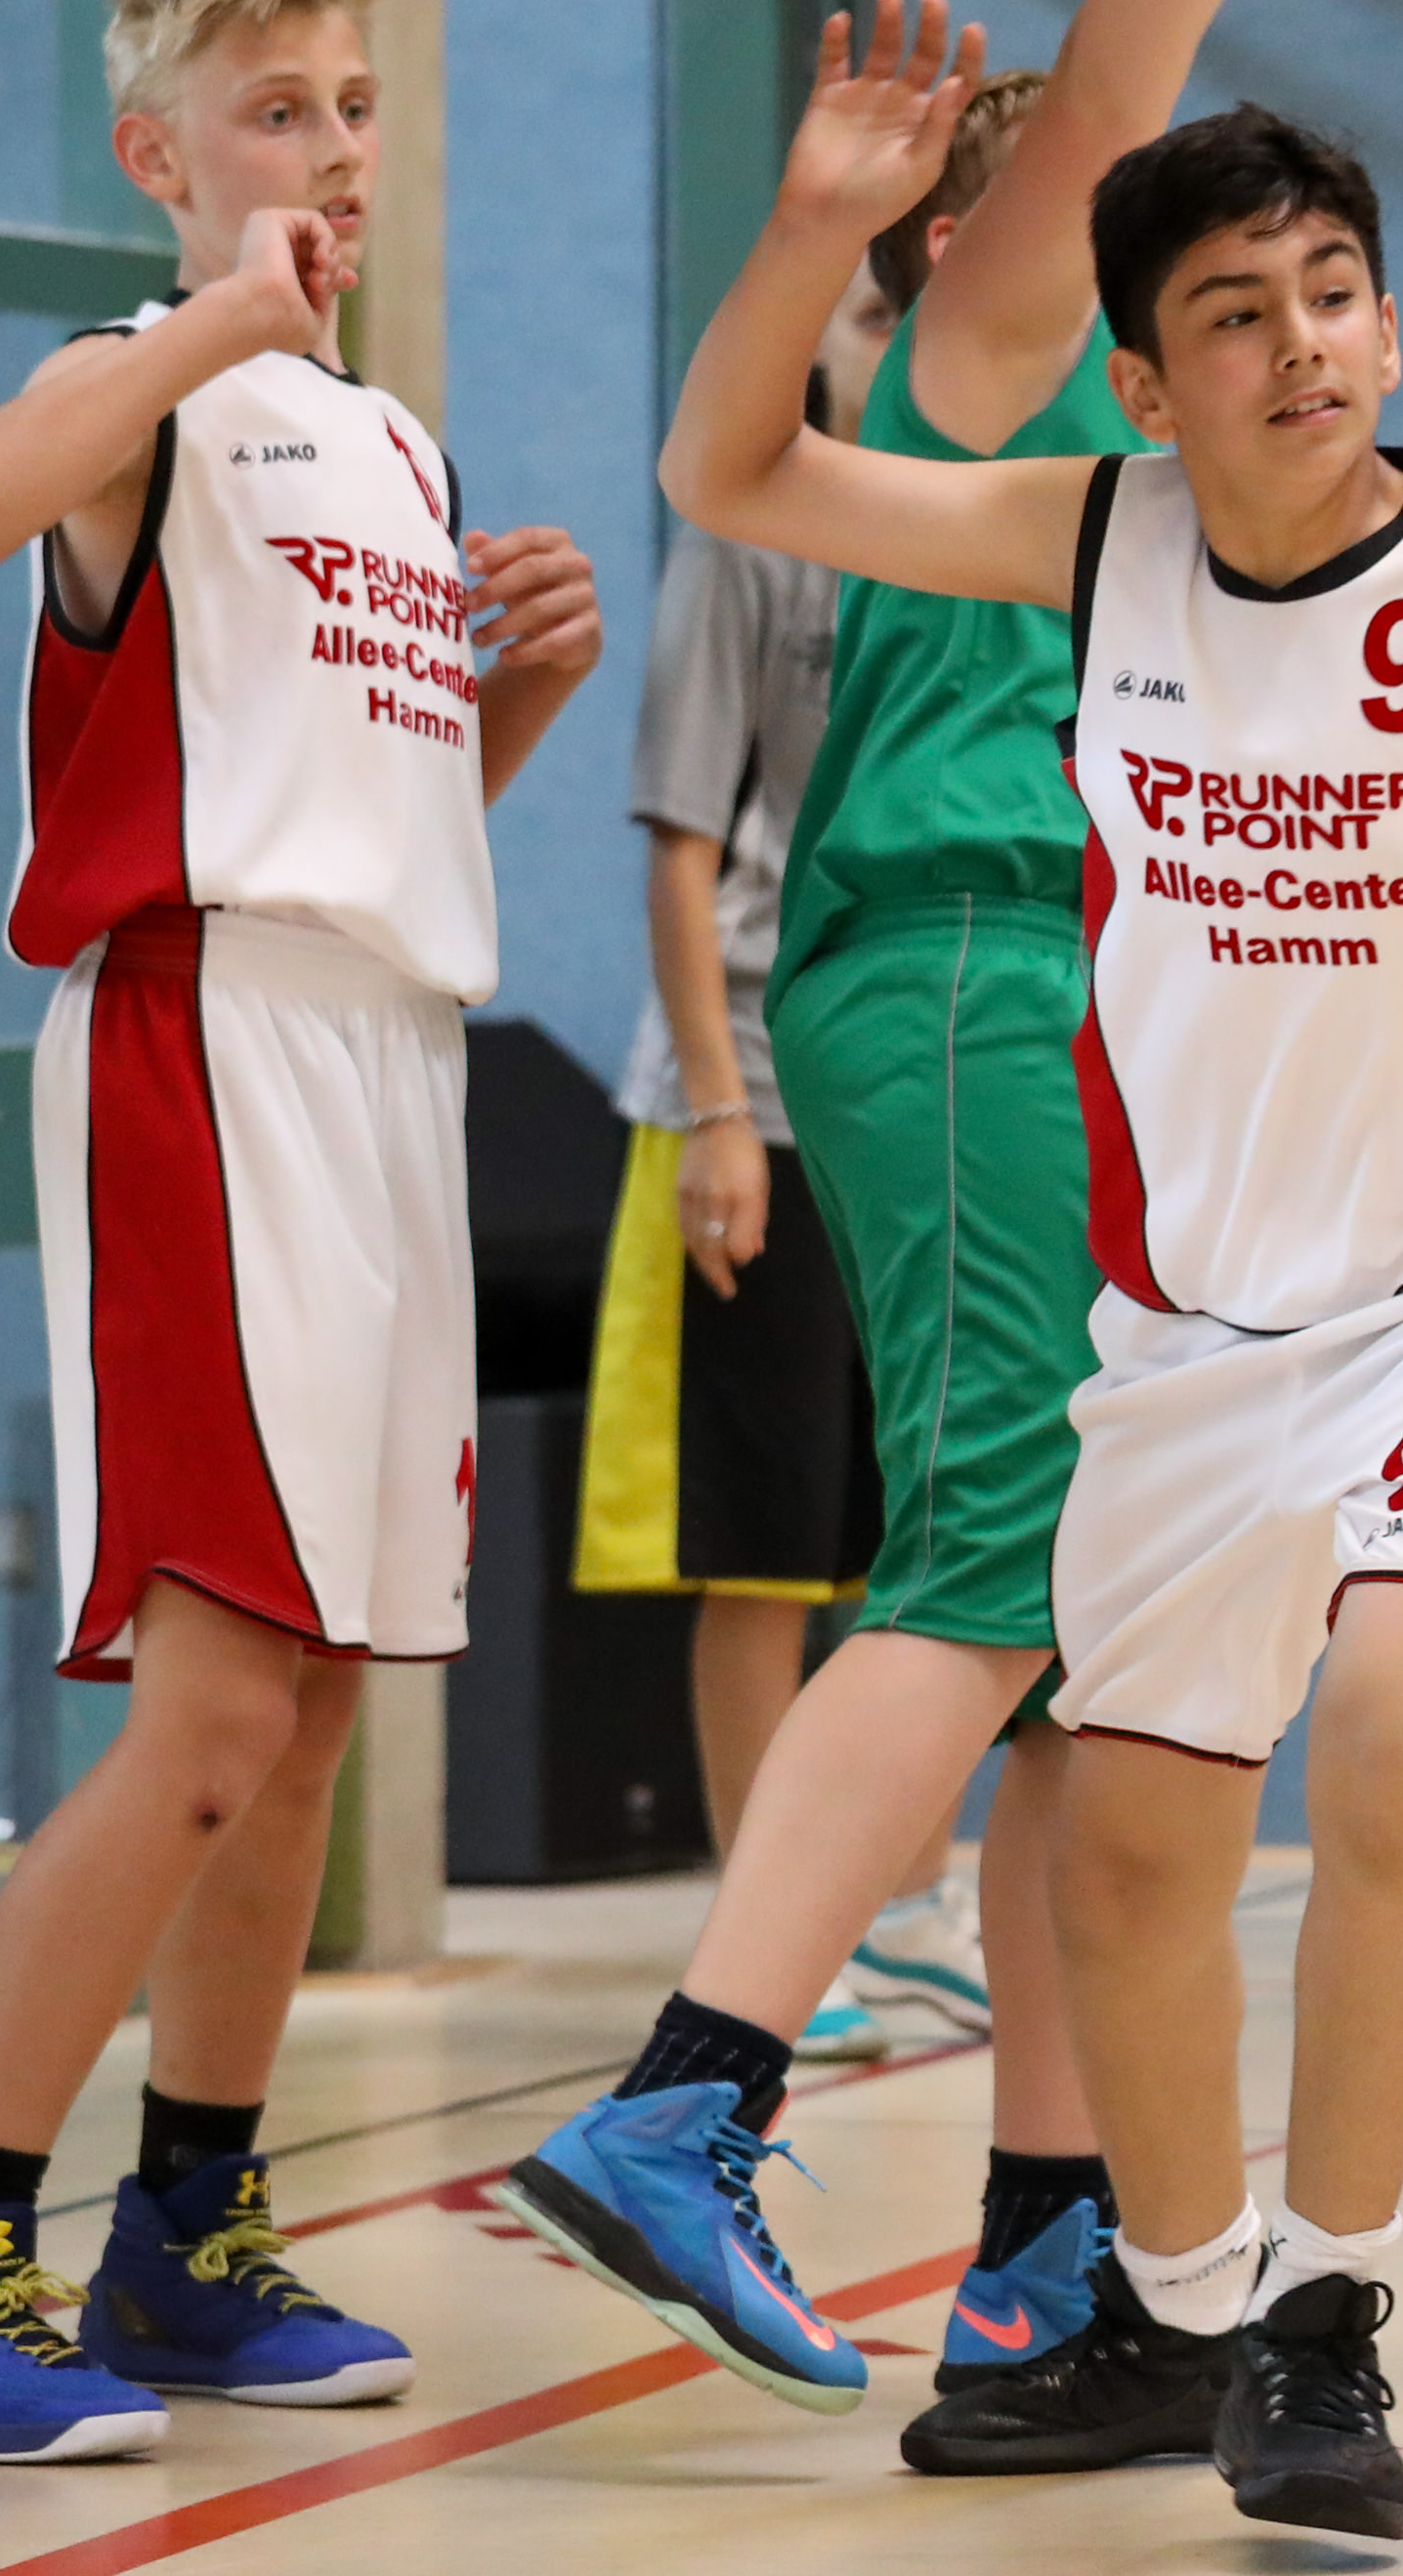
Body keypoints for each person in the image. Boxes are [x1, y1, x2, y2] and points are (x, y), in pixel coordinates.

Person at [641, 29, 1403, 2538]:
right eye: (1233, 310)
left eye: (1333, 291)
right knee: (1127, 1856)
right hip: (1193, 1337)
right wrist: (811, 228)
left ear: (1393, 328)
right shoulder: (1093, 538)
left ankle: (1325, 2324)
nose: (1299, 339)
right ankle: (1182, 2304)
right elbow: (732, 474)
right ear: (1144, 380)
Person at [499, 0, 1403, 2420]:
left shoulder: (1202, 480)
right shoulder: (1011, 344)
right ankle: (691, 2095)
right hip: (956, 965)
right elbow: (1130, 68)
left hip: (1094, 1010)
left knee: (1105, 1635)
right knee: (983, 1562)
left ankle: (1065, 2242)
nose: (1259, 308)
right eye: (1159, 234)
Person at [0, 0, 603, 2464]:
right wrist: (206, 327)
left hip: (384, 1049)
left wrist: (519, 693)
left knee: (319, 1700)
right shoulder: (137, 388)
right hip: (203, 1043)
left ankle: (190, 2233)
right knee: (214, 1701)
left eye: (353, 102)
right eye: (273, 108)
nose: (332, 146)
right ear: (162, 157)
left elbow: (374, 821)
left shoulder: (393, 447)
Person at [577, 255, 977, 2060]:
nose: (897, 346)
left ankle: (908, 1909)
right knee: (762, 1546)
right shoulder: (748, 534)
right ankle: (762, 1939)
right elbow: (681, 849)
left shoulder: (990, 538)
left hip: (929, 1105)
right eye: (873, 313)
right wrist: (718, 1111)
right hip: (759, 1093)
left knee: (932, 1532)